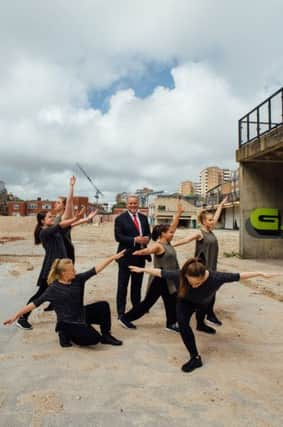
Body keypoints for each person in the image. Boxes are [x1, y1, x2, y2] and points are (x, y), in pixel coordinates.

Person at [129, 258, 280, 373]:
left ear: (204, 276)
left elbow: (239, 275)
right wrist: (142, 270)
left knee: (202, 314)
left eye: (198, 283)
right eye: (191, 282)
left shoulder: (217, 277)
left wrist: (260, 273)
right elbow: (160, 272)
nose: (194, 285)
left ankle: (201, 324)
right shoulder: (179, 275)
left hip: (204, 302)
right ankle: (195, 358)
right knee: (182, 323)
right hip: (185, 302)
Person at [4, 251, 125, 347]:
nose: (75, 271)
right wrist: (16, 315)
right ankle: (64, 332)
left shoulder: (78, 279)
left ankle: (106, 336)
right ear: (63, 273)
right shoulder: (53, 289)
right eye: (72, 270)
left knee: (103, 306)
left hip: (81, 314)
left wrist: (112, 258)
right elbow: (34, 304)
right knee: (94, 339)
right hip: (68, 322)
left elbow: (95, 269)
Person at [16, 208, 97, 330]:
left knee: (65, 291)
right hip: (50, 270)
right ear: (42, 221)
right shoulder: (44, 232)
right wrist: (76, 217)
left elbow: (70, 225)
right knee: (40, 295)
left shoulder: (55, 230)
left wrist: (86, 219)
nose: (52, 218)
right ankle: (22, 318)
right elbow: (61, 225)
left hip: (59, 268)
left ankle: (70, 317)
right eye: (49, 217)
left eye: (52, 217)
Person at [118, 203, 184, 331]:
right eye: (169, 232)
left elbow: (174, 226)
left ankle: (171, 323)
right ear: (162, 234)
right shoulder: (158, 246)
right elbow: (147, 251)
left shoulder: (168, 242)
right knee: (147, 304)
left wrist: (179, 213)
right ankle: (125, 319)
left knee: (171, 300)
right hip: (159, 279)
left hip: (168, 278)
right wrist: (137, 252)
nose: (172, 233)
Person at [173, 196, 228, 326]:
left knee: (210, 292)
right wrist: (170, 245)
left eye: (213, 219)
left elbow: (217, 215)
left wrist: (220, 205)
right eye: (210, 220)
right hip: (202, 269)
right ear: (203, 222)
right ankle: (206, 315)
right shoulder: (200, 233)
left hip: (212, 266)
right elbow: (185, 240)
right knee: (206, 292)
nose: (213, 221)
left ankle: (207, 315)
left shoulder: (210, 231)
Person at [114, 195, 151, 319]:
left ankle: (136, 308)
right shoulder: (120, 219)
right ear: (127, 205)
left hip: (140, 257)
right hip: (125, 257)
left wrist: (147, 239)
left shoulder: (144, 218)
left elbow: (148, 234)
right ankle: (121, 312)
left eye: (135, 203)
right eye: (131, 203)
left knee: (137, 285)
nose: (133, 205)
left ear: (138, 204)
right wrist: (135, 240)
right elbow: (118, 237)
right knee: (122, 286)